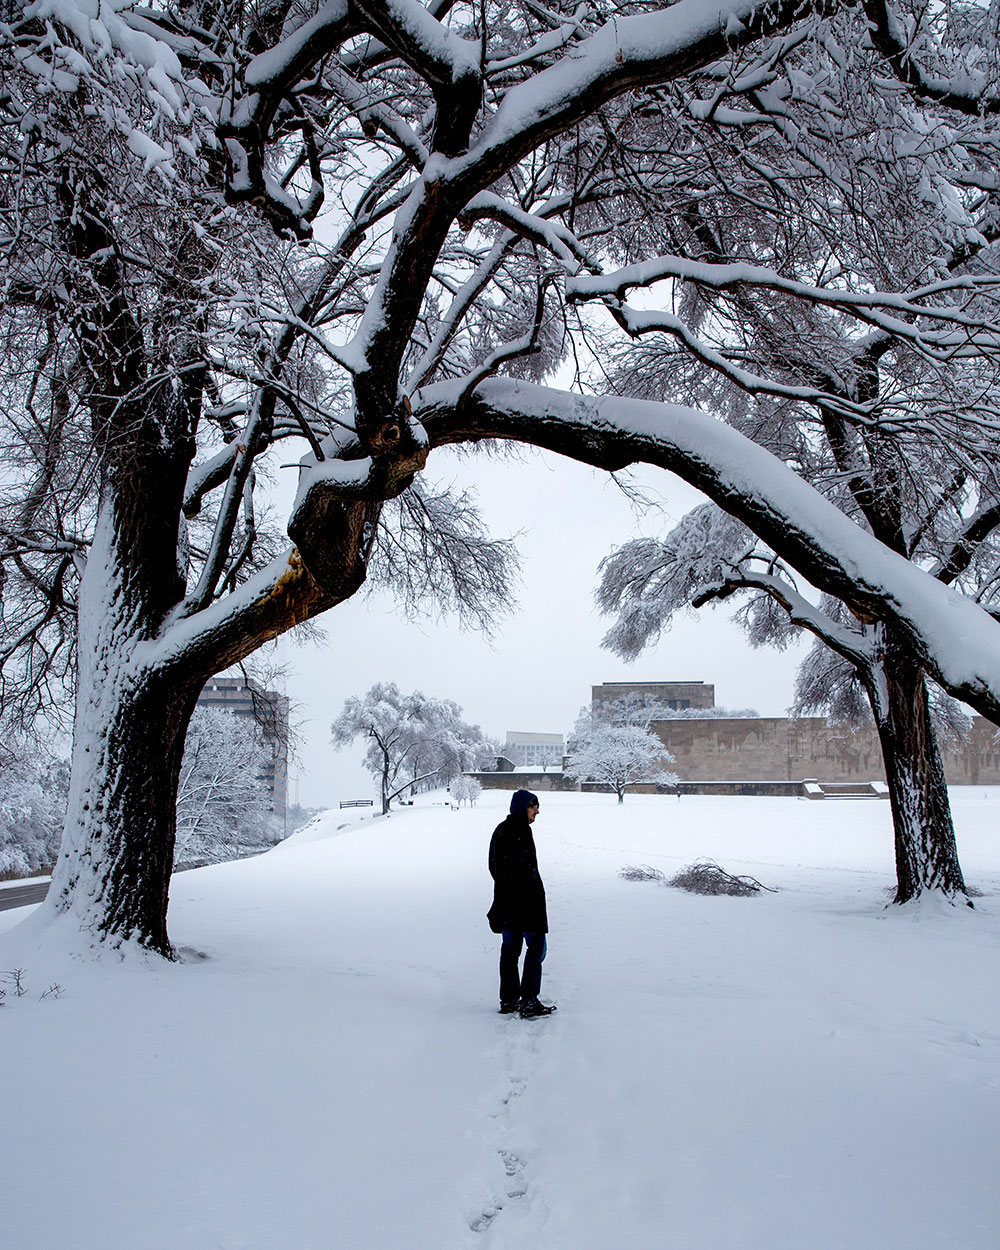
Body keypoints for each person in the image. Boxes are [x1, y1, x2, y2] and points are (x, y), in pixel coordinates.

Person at [487, 789, 556, 1019]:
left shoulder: (501, 830)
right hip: (526, 906)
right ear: (522, 807)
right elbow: (523, 871)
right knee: (536, 950)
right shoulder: (519, 831)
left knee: (510, 951)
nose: (537, 811)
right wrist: (526, 892)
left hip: (507, 905)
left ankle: (508, 1000)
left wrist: (507, 890)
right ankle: (528, 1001)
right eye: (533, 806)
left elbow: (493, 868)